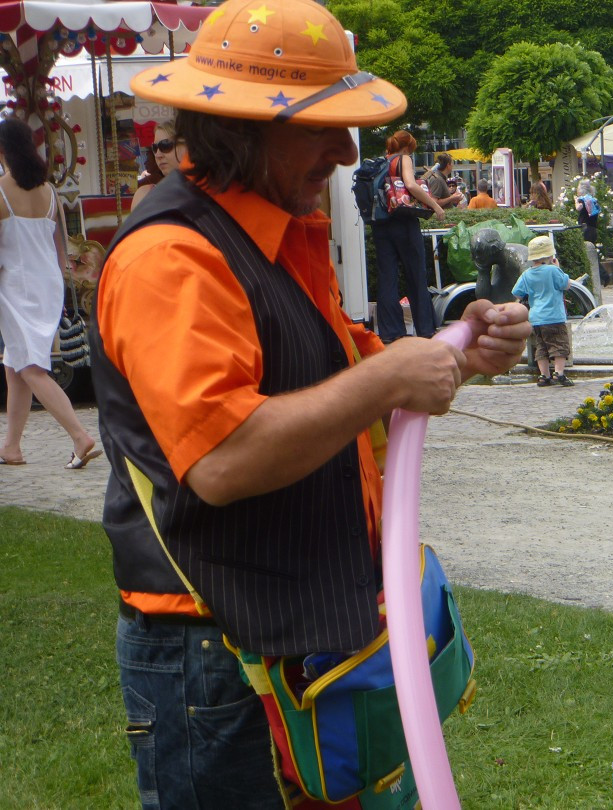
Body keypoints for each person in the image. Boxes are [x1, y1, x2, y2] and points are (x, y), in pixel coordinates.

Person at [91, 1, 531, 806]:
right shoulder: (171, 259)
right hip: (212, 659)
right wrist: (387, 378)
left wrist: (458, 354)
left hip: (303, 633)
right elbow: (222, 461)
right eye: (322, 122)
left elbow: (340, 377)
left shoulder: (283, 227)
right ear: (239, 129)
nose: (346, 149)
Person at [0, 118, 101, 469]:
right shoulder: (49, 191)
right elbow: (58, 246)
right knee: (16, 365)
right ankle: (11, 446)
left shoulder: (0, 190)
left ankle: (79, 435)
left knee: (29, 366)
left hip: (15, 285)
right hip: (48, 283)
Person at [371, 130, 444, 343]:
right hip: (403, 221)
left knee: (387, 278)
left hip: (381, 223)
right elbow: (410, 185)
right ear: (407, 147)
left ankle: (391, 331)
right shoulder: (403, 159)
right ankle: (425, 328)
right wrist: (435, 206)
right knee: (416, 275)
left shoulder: (380, 162)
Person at [512, 235, 572, 387]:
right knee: (560, 345)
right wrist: (558, 268)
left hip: (536, 318)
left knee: (541, 346)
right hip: (554, 317)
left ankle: (544, 376)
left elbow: (517, 292)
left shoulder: (527, 274)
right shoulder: (553, 270)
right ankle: (559, 373)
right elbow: (566, 285)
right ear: (549, 256)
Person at [130, 120, 187, 210]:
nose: (157, 155)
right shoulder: (144, 195)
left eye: (165, 145)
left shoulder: (207, 193)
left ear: (186, 147)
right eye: (155, 148)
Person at [575, 179, 600, 244]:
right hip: (593, 228)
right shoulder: (593, 200)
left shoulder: (583, 199)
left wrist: (576, 201)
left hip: (585, 228)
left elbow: (578, 208)